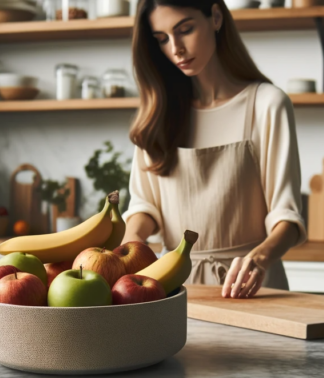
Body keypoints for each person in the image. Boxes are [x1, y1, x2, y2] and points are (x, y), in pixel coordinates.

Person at [122, 0, 306, 298]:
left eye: (185, 30)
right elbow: (145, 205)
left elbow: (287, 215)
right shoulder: (157, 113)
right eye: (162, 39)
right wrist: (132, 241)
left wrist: (259, 259)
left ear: (216, 17)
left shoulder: (268, 104)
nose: (175, 48)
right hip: (173, 288)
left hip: (252, 287)